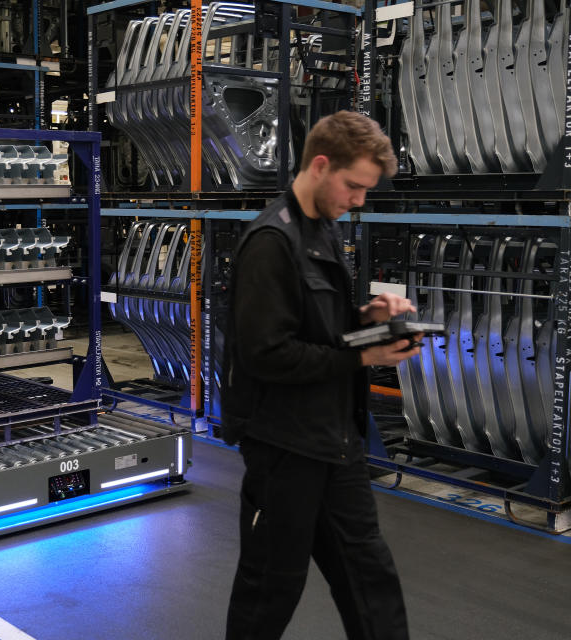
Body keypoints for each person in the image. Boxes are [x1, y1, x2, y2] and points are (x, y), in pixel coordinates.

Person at [222, 111, 419, 640]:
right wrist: (363, 358)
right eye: (354, 186)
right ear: (321, 165)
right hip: (285, 449)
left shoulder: (323, 231)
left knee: (370, 579)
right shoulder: (270, 243)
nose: (358, 201)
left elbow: (322, 331)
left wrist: (369, 321)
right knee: (271, 588)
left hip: (336, 442)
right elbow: (269, 356)